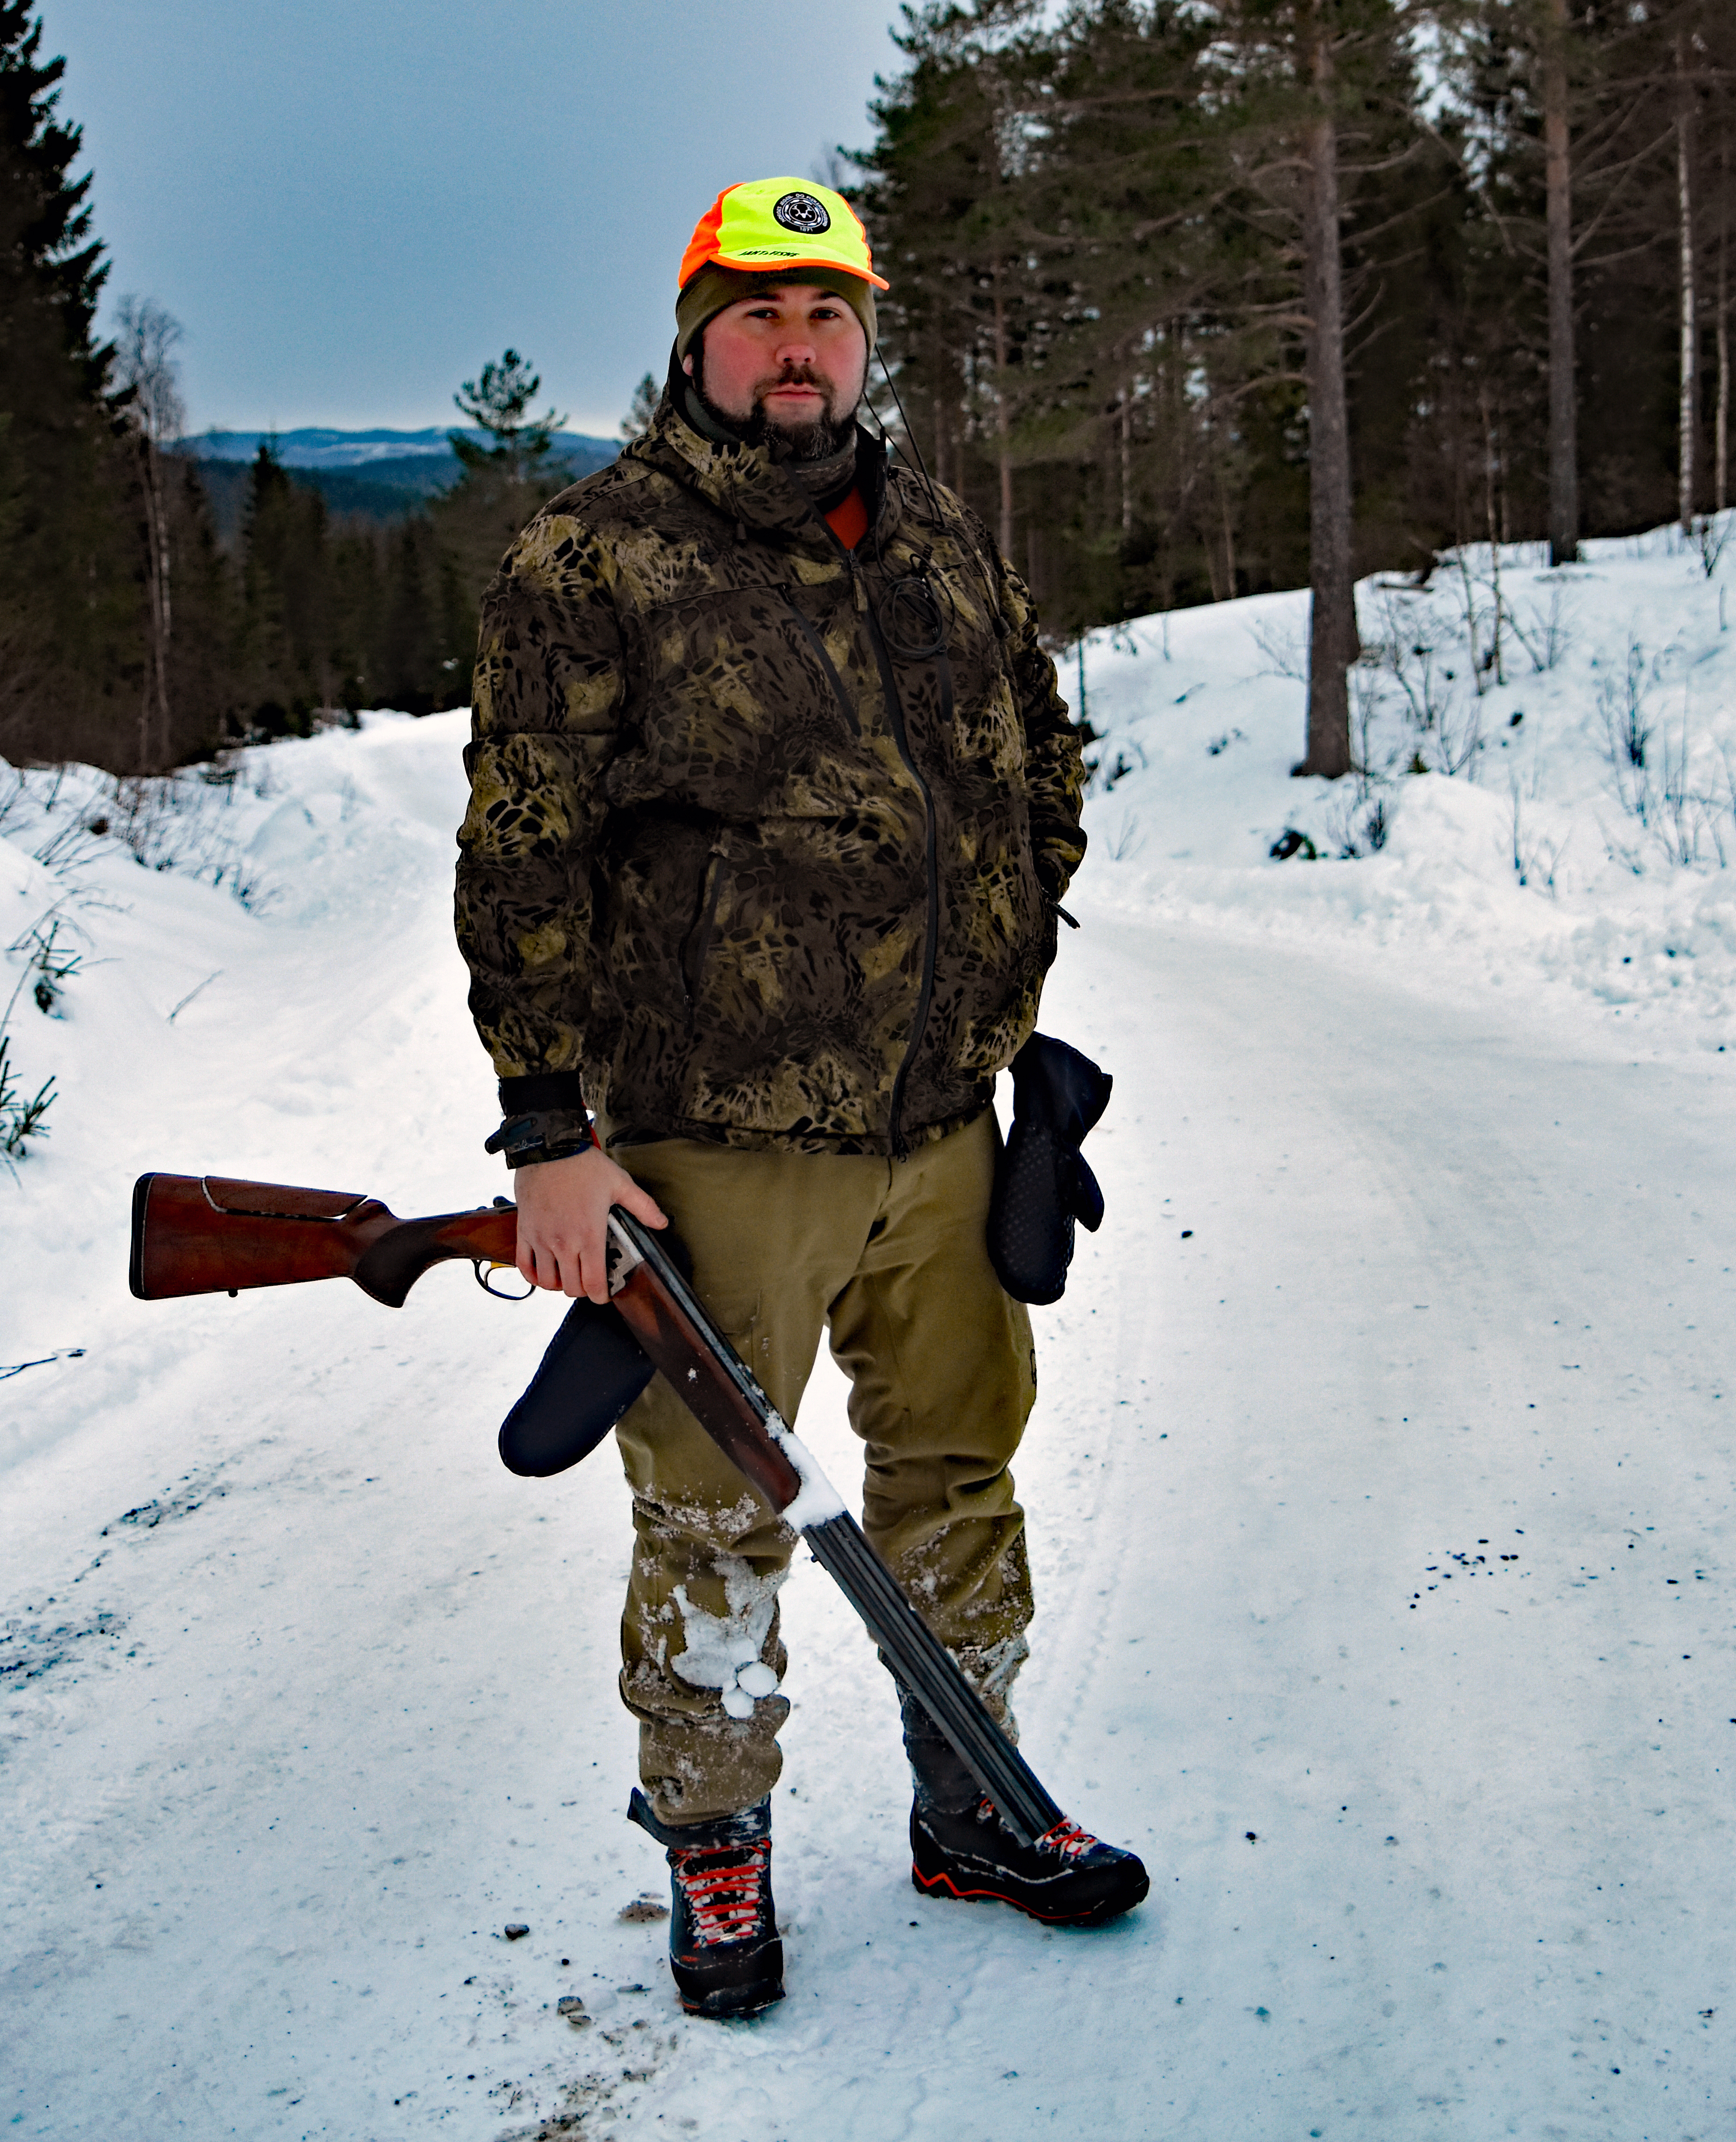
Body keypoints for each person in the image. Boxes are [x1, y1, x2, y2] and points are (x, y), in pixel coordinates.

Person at [454, 175, 1147, 2020]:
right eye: (757, 312)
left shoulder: (939, 541)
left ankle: (975, 1802)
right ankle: (717, 1844)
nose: (794, 346)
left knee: (958, 1473)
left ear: (865, 339)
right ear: (697, 338)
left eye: (825, 313)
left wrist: (1004, 965)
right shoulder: (592, 558)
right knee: (714, 1505)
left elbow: (1034, 757)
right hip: (712, 1138)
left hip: (941, 1131)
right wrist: (550, 1131)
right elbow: (523, 847)